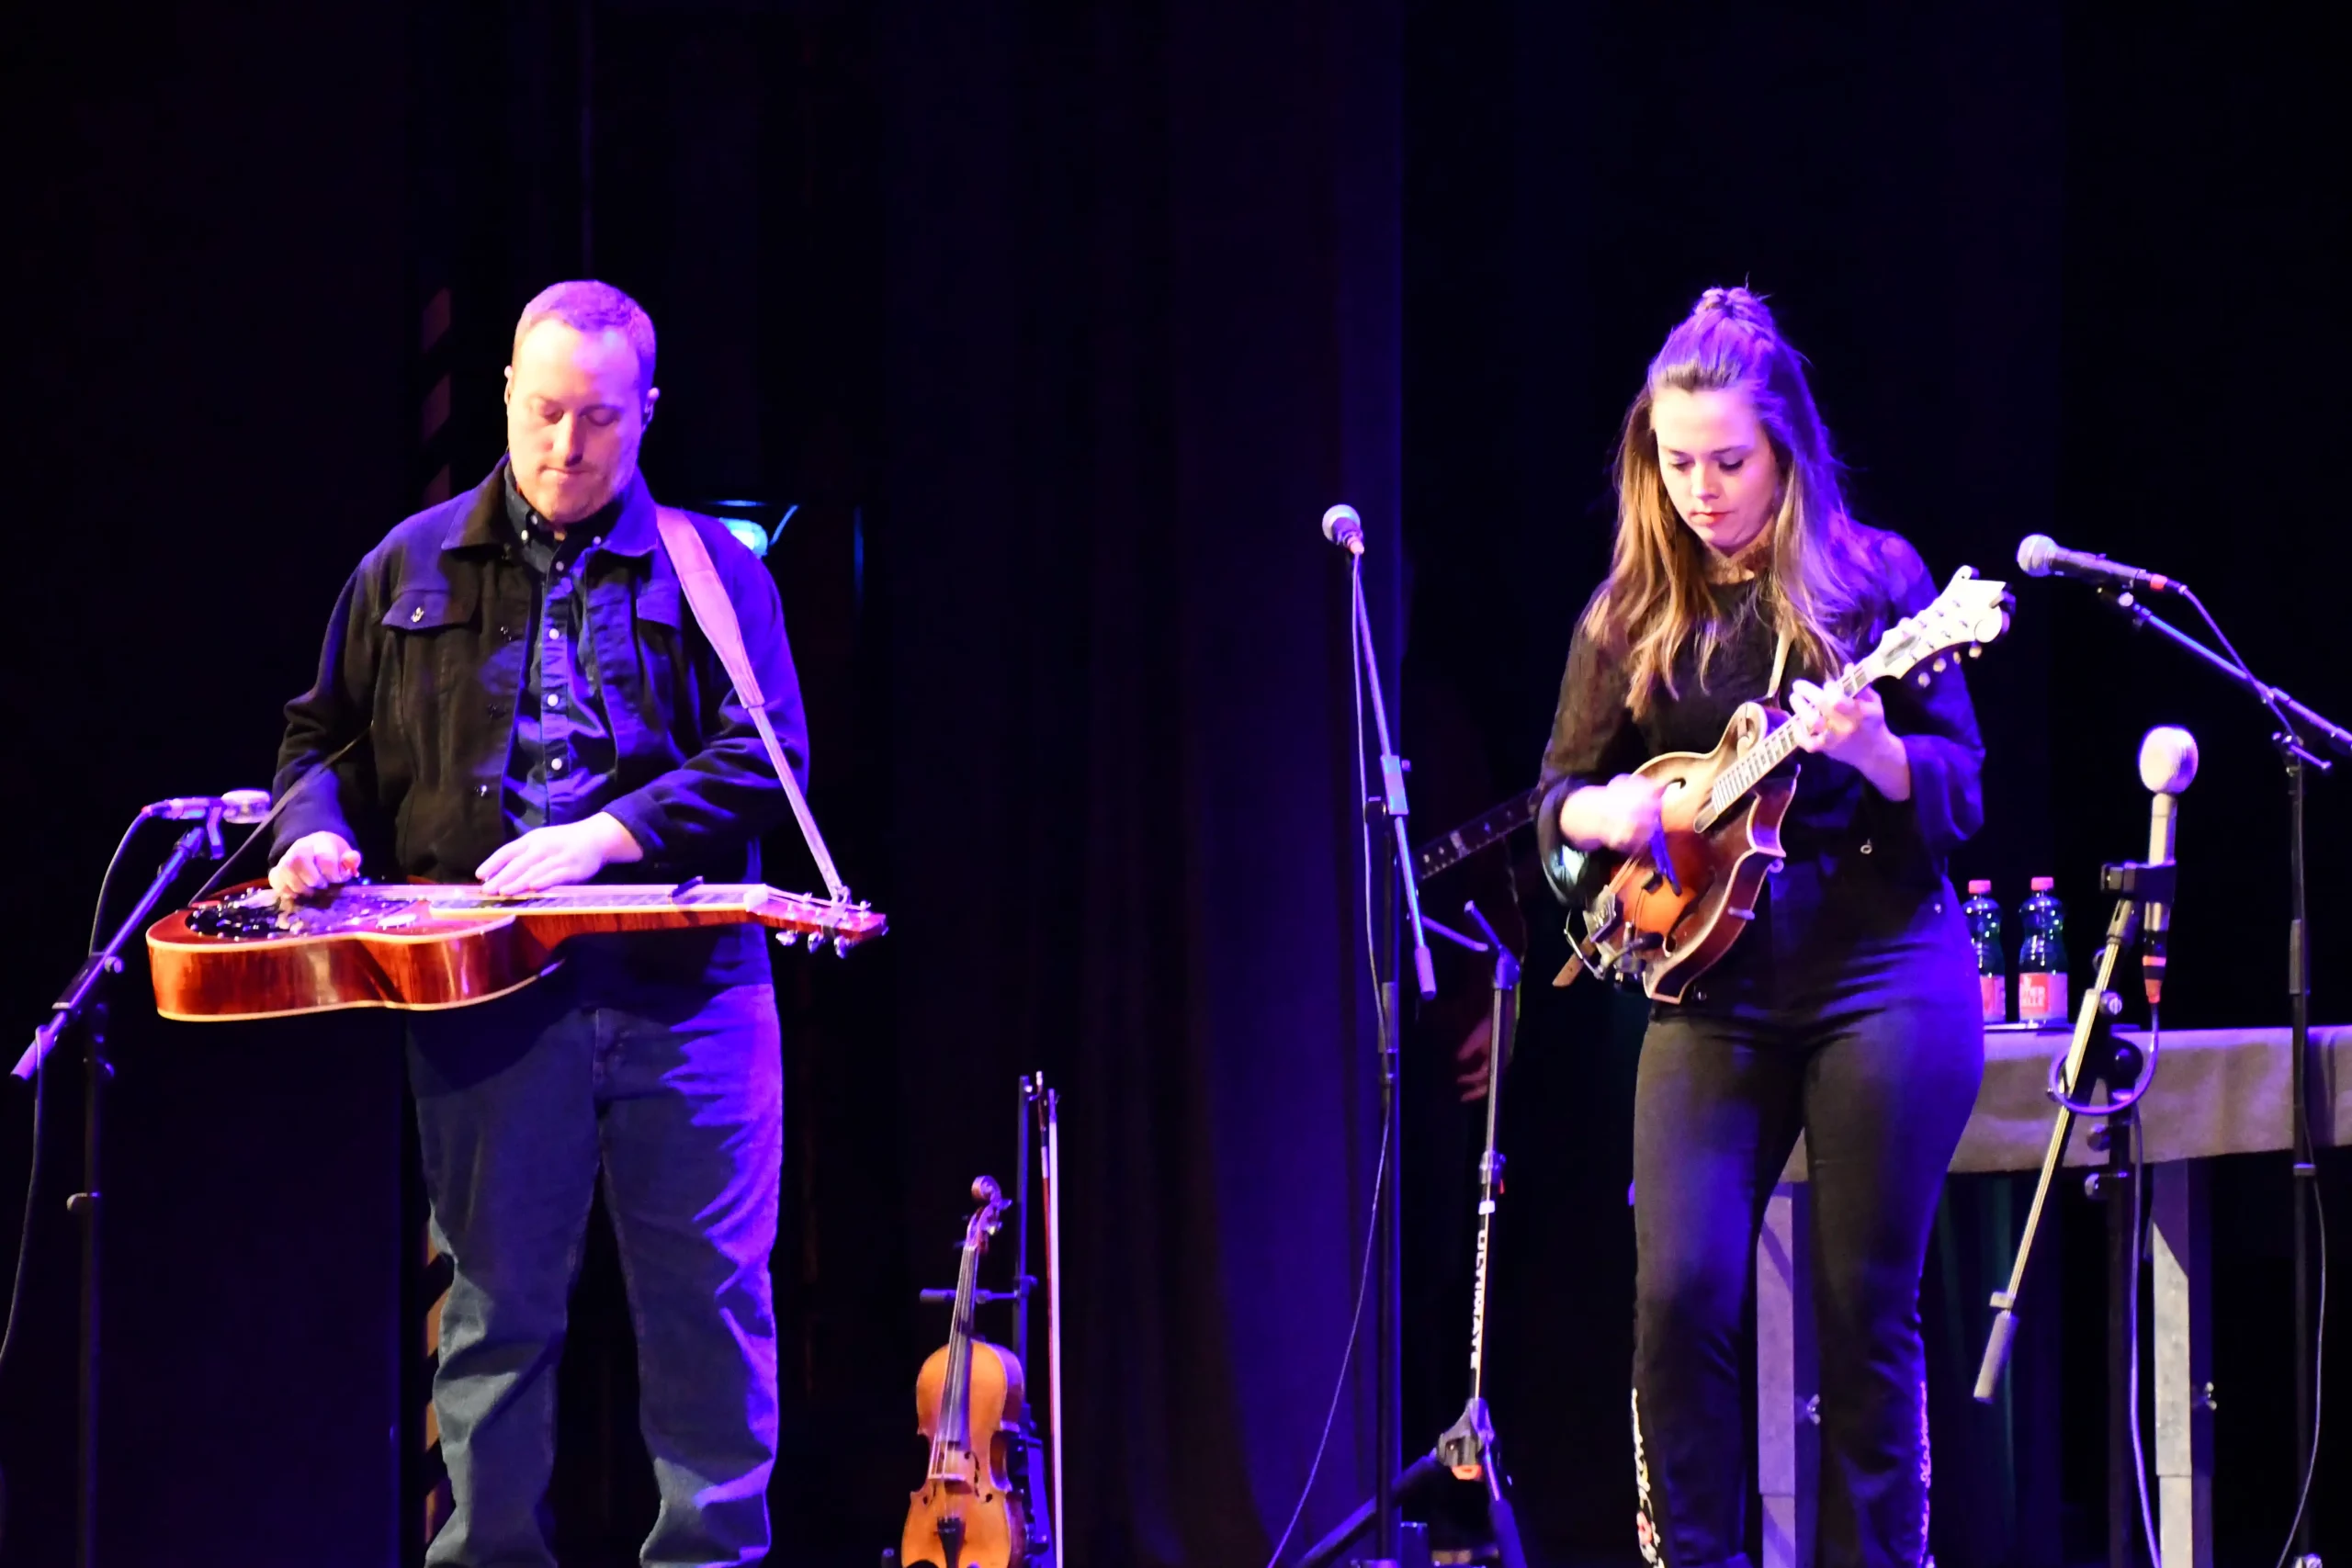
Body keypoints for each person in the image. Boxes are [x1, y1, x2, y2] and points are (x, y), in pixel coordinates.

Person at [270, 279, 807, 1567]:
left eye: (602, 419)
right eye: (547, 411)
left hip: (689, 996)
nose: (569, 447)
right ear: (506, 391)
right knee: (495, 1316)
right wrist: (310, 834)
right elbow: (318, 740)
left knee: (709, 1308)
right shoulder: (407, 564)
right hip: (490, 999)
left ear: (648, 412)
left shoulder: (714, 572)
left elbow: (768, 756)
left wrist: (604, 837)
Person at [1533, 287, 1984, 1566]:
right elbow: (1557, 804)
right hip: (1709, 986)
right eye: (1677, 463)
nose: (1701, 490)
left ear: (1784, 448)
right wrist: (1605, 812)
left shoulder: (1877, 581)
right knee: (1679, 1296)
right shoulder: (1628, 612)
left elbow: (1963, 786)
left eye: (1728, 462)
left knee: (1862, 1307)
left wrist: (1880, 753)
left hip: (1880, 967)